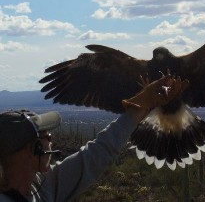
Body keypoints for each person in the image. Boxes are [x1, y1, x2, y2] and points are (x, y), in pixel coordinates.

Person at [0, 75, 188, 201]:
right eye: (45, 135)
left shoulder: (41, 187)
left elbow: (96, 154)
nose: (51, 138)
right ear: (32, 149)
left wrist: (140, 107)